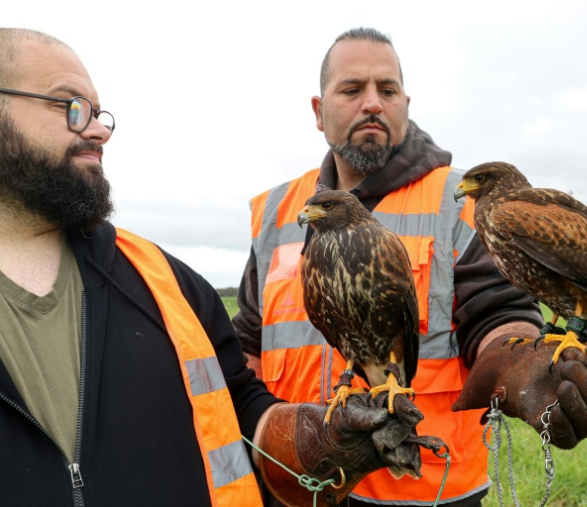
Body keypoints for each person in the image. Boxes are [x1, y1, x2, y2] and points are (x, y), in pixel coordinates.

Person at [0, 28, 423, 507]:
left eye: (99, 115)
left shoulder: (165, 283)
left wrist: (312, 443)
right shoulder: (278, 218)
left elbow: (239, 405)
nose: (97, 130)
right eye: (70, 107)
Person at [233, 27, 587, 507]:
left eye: (387, 90)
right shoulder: (279, 210)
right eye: (351, 89)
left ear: (406, 102)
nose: (372, 103)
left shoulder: (463, 202)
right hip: (296, 481)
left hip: (425, 486)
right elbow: (247, 343)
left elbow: (497, 313)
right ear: (318, 111)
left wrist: (518, 361)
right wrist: (261, 435)